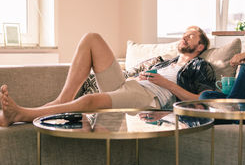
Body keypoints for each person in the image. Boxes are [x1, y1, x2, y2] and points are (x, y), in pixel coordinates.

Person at [0, 26, 215, 127]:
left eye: (191, 36)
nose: (185, 37)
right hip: (129, 85)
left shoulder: (200, 66)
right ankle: (62, 100)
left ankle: (21, 115)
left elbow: (203, 101)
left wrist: (164, 83)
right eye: (184, 34)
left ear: (200, 46)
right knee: (91, 38)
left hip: (148, 99)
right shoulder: (166, 61)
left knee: (90, 101)